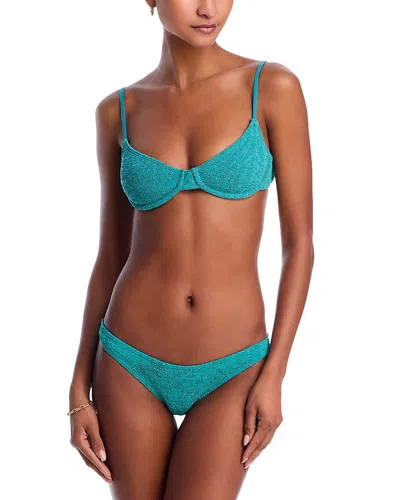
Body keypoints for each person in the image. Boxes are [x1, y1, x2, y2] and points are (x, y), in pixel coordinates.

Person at [68, 1, 314, 498]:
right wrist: (78, 384)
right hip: (128, 360)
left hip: (235, 367)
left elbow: (300, 245)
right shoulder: (119, 111)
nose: (208, 8)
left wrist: (276, 372)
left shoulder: (272, 88)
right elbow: (111, 255)